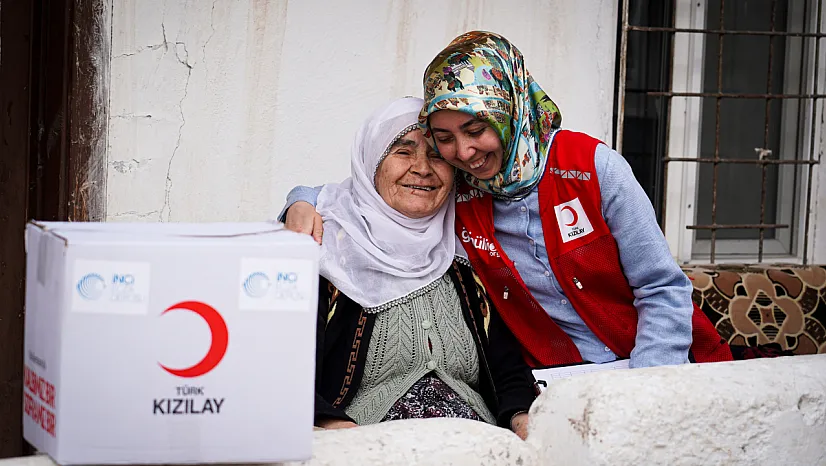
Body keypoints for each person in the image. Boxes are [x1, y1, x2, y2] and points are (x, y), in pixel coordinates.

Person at [283, 32, 732, 369]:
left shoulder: (594, 168)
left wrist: (646, 384)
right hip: (558, 385)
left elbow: (661, 287)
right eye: (445, 139)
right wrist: (298, 203)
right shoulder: (458, 189)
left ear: (511, 110)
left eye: (475, 130)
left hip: (659, 368)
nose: (463, 153)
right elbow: (359, 192)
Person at [308, 96, 536, 439]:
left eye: (435, 155)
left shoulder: (466, 258)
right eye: (403, 152)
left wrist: (523, 418)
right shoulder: (326, 252)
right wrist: (331, 425)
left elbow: (508, 370)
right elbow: (284, 364)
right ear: (371, 162)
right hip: (366, 448)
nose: (422, 168)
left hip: (477, 445)